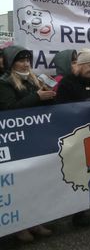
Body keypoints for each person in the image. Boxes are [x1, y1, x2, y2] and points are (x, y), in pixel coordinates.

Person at [0, 45, 55, 242]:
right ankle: (19, 226)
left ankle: (34, 221)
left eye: (27, 60)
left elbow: (39, 104)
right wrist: (36, 97)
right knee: (20, 185)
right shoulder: (5, 83)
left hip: (35, 137)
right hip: (17, 141)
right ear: (10, 63)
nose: (25, 64)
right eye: (20, 60)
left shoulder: (33, 79)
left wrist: (48, 97)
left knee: (35, 183)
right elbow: (9, 109)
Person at [55, 48, 90, 228]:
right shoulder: (67, 84)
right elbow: (63, 110)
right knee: (80, 175)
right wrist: (87, 104)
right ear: (80, 65)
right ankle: (78, 214)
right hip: (79, 136)